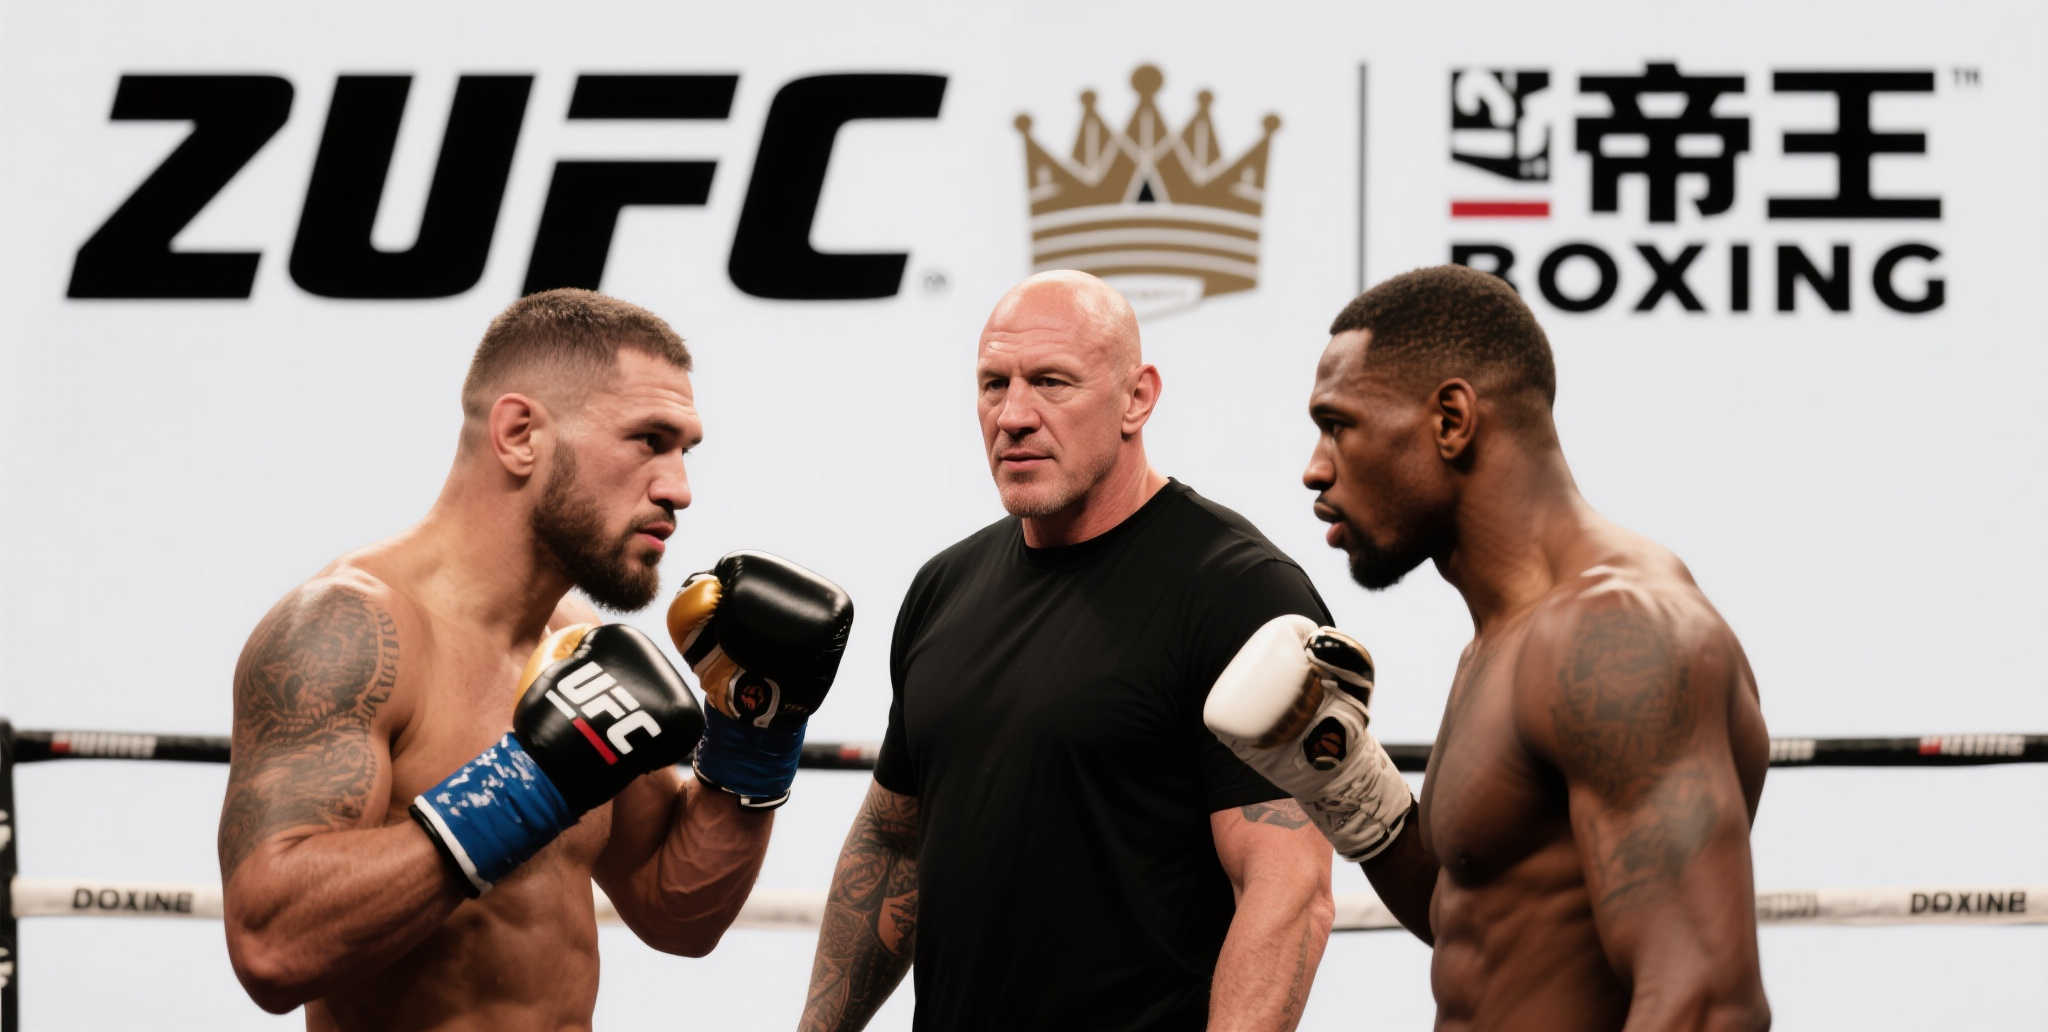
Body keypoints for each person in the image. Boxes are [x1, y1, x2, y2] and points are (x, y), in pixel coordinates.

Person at [217, 289, 852, 1029]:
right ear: (520, 434)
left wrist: (755, 729)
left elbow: (676, 909)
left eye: (685, 451)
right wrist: (532, 781)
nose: (679, 489)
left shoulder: (573, 641)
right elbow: (271, 947)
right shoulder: (352, 629)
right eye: (649, 440)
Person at [1205, 265, 1772, 1030]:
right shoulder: (1507, 637)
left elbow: (1706, 1004)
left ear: (1451, 420)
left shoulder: (1615, 634)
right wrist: (1343, 778)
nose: (1315, 467)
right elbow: (1483, 922)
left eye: (1338, 424)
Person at [799, 270, 1336, 1032]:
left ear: (1136, 398)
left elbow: (1288, 893)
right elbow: (893, 845)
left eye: (1051, 382)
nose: (1014, 416)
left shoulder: (1240, 593)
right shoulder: (945, 587)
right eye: (994, 384)